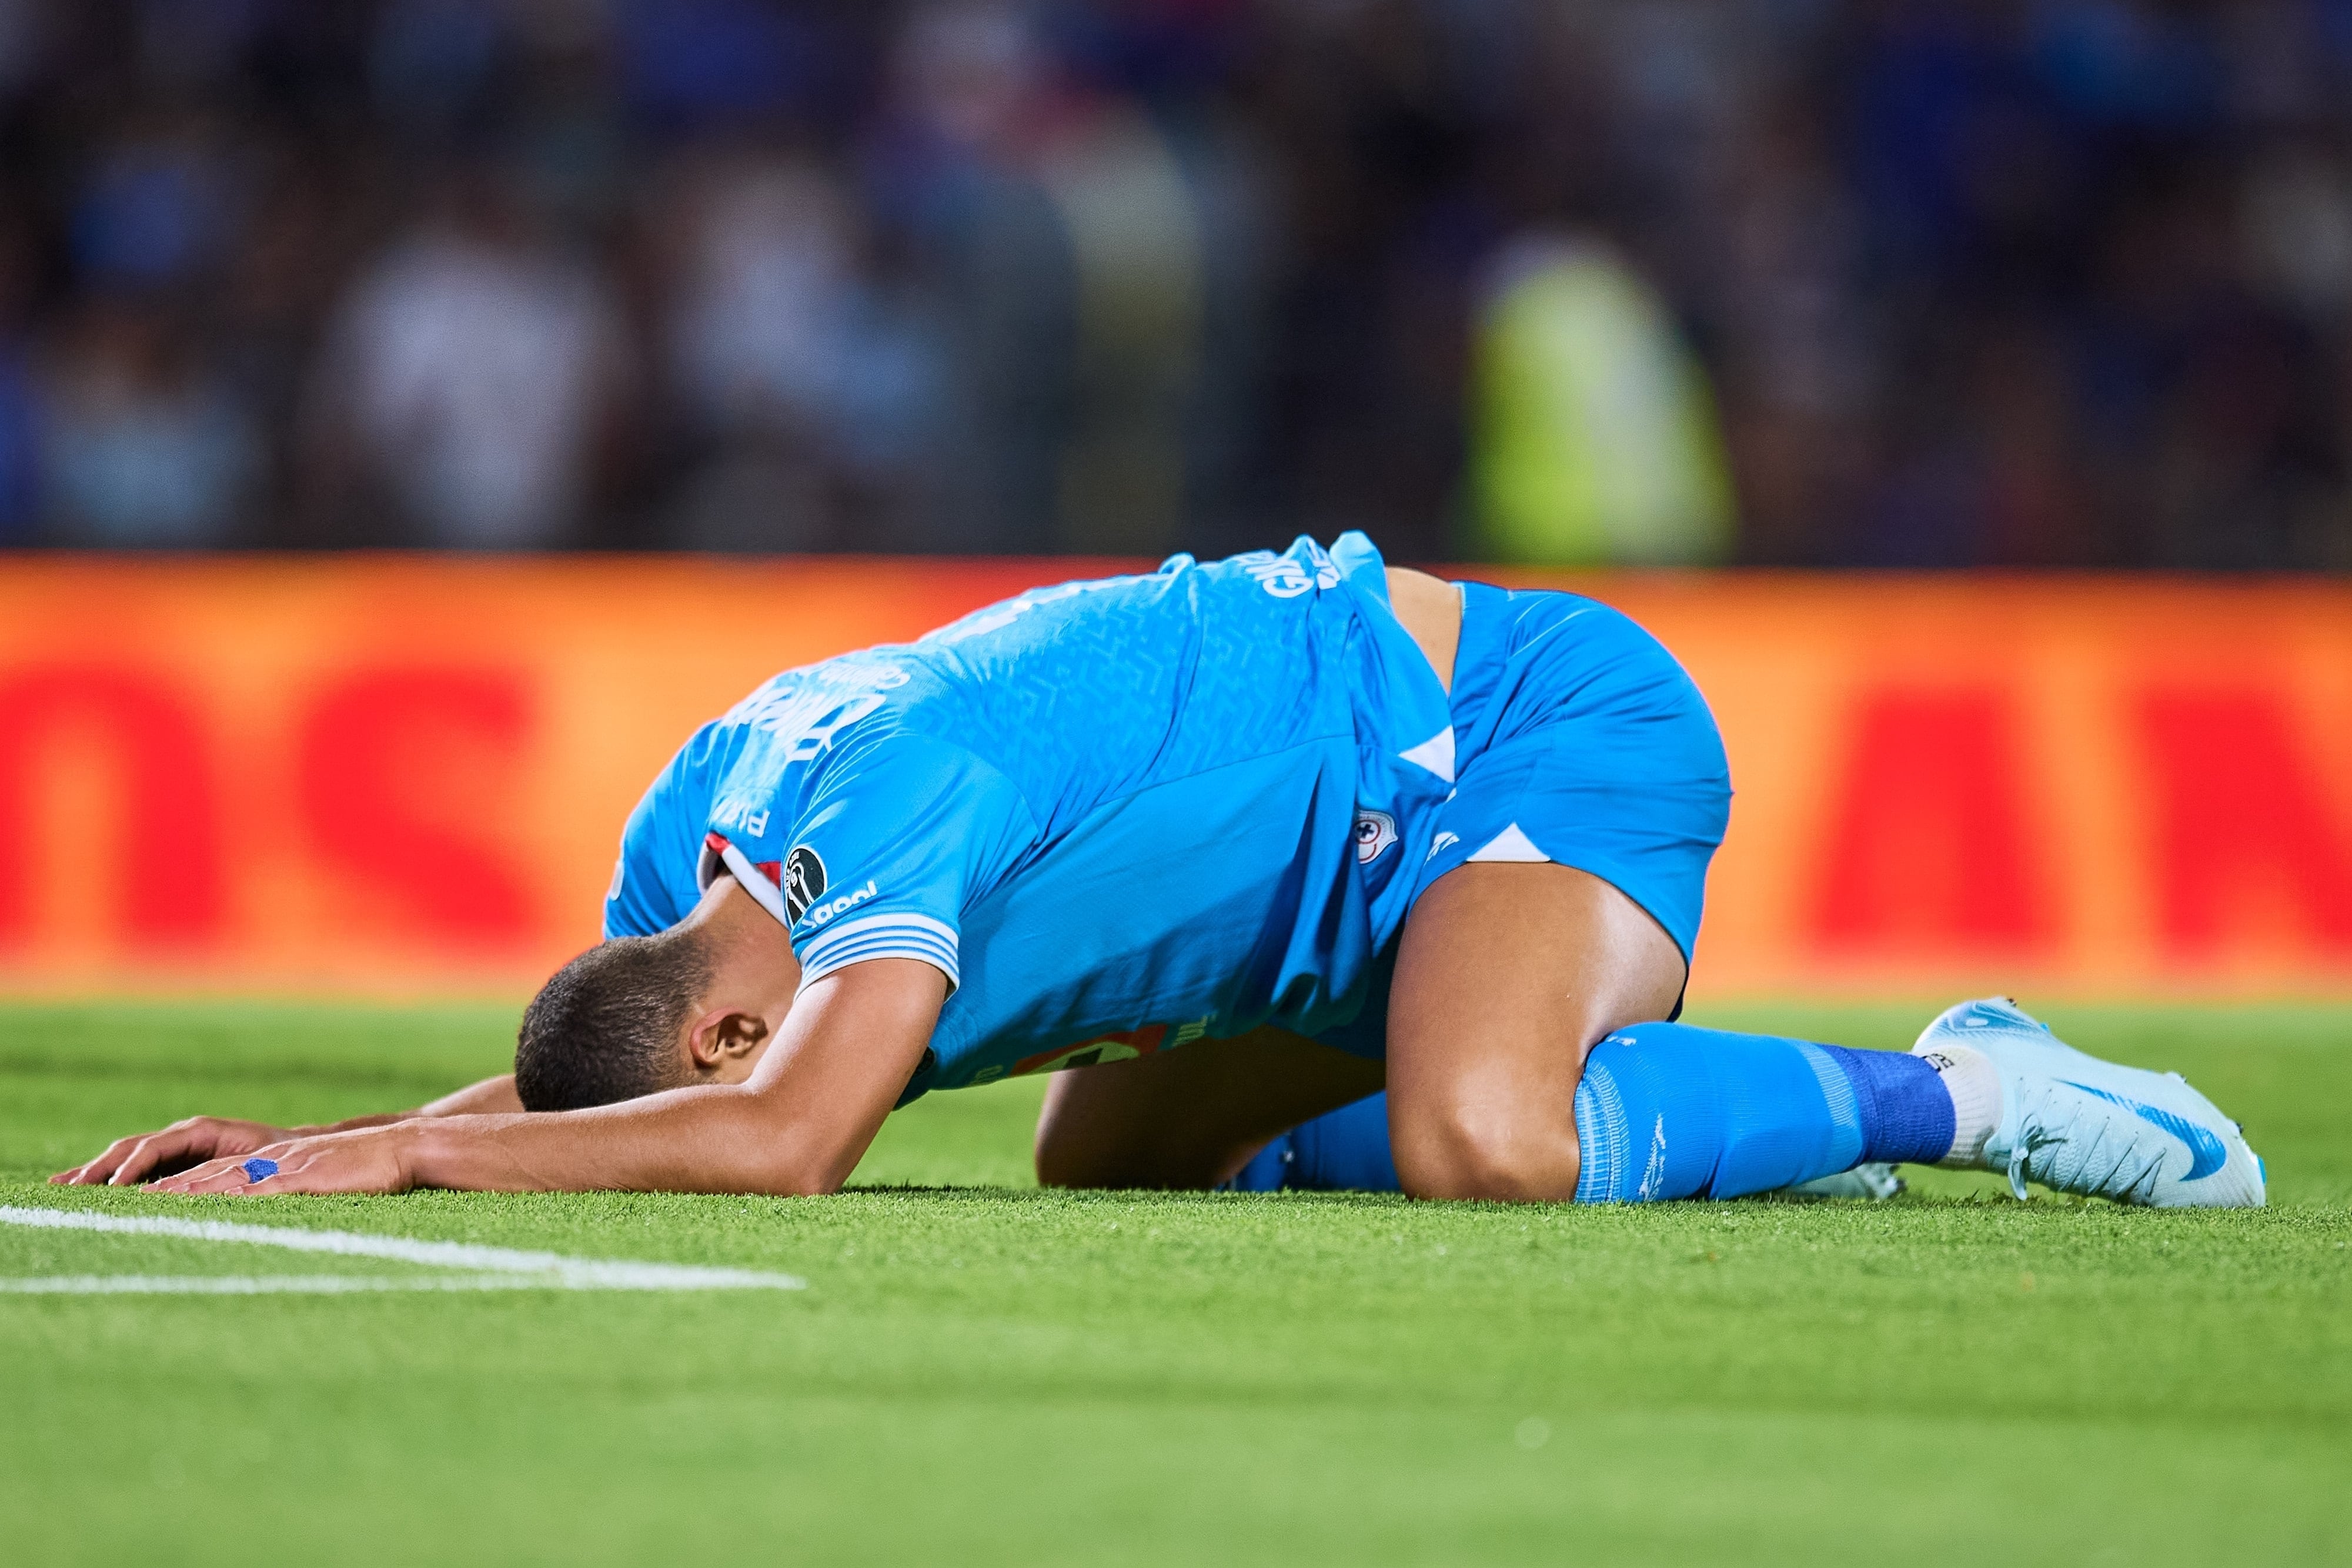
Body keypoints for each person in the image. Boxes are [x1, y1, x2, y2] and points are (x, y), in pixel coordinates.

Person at [55, 536, 2264, 1208]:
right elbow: (642, 1084)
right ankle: (1611, 1090)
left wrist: (402, 1162)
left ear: (722, 1017)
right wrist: (332, 1134)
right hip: (1320, 886)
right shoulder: (685, 857)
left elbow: (780, 1137)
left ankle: (1967, 1087)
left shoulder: (887, 801)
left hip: (1519, 733)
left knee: (1483, 1143)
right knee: (1100, 1162)